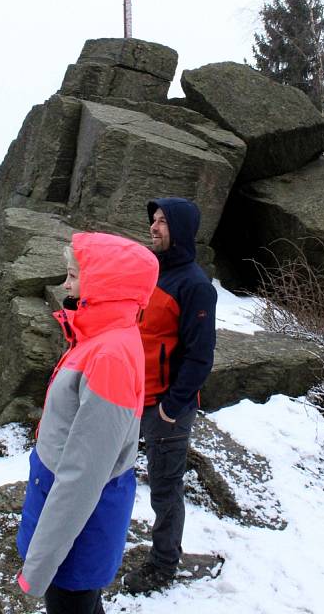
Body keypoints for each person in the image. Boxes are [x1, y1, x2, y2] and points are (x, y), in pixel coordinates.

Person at [16, 231, 159, 613]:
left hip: (76, 531)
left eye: (73, 275)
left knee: (71, 603)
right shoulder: (98, 339)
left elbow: (83, 476)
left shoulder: (109, 356)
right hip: (67, 518)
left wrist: (41, 562)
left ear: (106, 284)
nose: (65, 284)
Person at [123, 197, 217, 595]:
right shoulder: (152, 274)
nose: (153, 227)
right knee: (117, 475)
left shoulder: (195, 285)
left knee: (164, 487)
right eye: (153, 220)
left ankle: (163, 566)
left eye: (162, 222)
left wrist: (170, 407)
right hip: (131, 396)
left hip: (166, 407)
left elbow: (200, 357)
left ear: (179, 229)